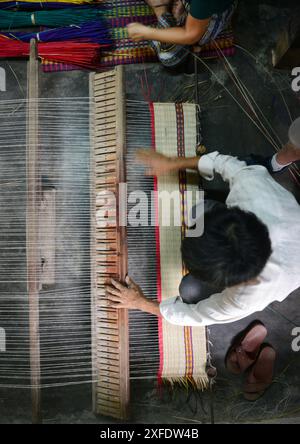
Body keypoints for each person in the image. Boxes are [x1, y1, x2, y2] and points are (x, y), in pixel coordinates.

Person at [106, 142, 300, 327]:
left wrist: (139, 302)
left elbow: (197, 315)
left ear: (231, 282)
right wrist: (171, 163)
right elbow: (224, 163)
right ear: (233, 214)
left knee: (190, 290)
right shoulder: (254, 191)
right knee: (198, 211)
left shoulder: (246, 297)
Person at [127, 0, 238, 68]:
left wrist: (147, 33)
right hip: (198, 6)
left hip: (209, 17)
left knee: (169, 57)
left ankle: (161, 10)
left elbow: (191, 35)